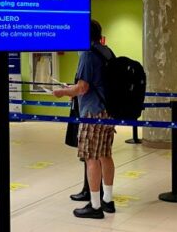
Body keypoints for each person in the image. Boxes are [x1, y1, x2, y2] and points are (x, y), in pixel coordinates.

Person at [53, 20, 116, 219]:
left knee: (91, 157)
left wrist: (62, 92)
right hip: (108, 111)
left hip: (92, 112)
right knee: (106, 154)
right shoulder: (106, 51)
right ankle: (108, 199)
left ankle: (95, 206)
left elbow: (82, 88)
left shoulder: (87, 54)